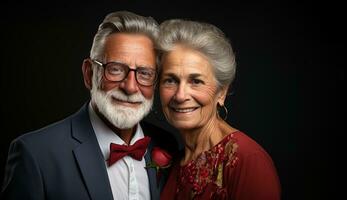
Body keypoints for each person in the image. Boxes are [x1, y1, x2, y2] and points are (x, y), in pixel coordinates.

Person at [1, 11, 178, 200]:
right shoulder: (35, 154)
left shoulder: (167, 144)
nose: (130, 87)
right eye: (115, 69)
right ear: (89, 74)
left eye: (144, 73)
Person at [157, 19, 281, 200]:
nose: (180, 95)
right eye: (170, 80)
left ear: (221, 93)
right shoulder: (174, 159)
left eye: (196, 81)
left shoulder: (248, 160)